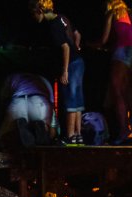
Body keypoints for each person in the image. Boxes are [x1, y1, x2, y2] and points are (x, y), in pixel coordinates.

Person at [32, 0, 84, 145]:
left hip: (71, 64)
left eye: (33, 14)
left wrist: (65, 70)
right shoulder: (62, 18)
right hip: (79, 61)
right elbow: (77, 34)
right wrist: (77, 46)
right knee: (77, 99)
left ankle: (70, 135)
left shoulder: (53, 25)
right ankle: (78, 134)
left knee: (70, 100)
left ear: (40, 11)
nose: (34, 18)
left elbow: (65, 47)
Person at [98, 0, 132, 145]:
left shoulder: (112, 13)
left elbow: (104, 39)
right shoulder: (131, 13)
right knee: (126, 91)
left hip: (121, 51)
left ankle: (124, 130)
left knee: (117, 93)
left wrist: (91, 44)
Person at [0, 73, 57, 150]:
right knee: (49, 131)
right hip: (39, 103)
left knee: (4, 135)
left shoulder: (13, 77)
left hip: (18, 102)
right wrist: (51, 128)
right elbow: (51, 105)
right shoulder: (43, 80)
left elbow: (4, 100)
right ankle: (40, 131)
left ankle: (19, 128)